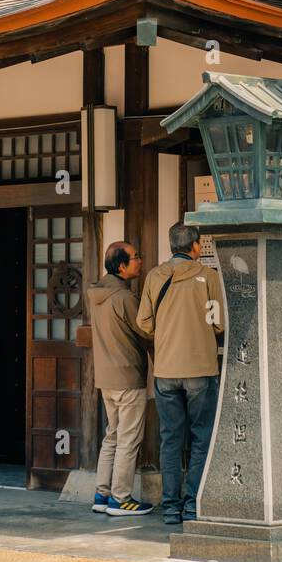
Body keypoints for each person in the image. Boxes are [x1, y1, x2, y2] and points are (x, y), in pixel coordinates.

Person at [136, 222, 224, 527]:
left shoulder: (154, 277)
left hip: (166, 371)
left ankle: (170, 508)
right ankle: (192, 506)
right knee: (200, 439)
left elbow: (144, 324)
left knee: (170, 440)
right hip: (201, 369)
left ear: (172, 245)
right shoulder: (208, 277)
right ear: (196, 246)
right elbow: (218, 324)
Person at [87, 241, 153, 516]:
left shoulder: (98, 295)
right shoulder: (125, 298)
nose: (140, 260)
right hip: (127, 375)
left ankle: (102, 494)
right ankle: (121, 499)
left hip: (106, 377)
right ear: (122, 266)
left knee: (112, 437)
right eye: (136, 257)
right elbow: (147, 331)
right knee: (128, 439)